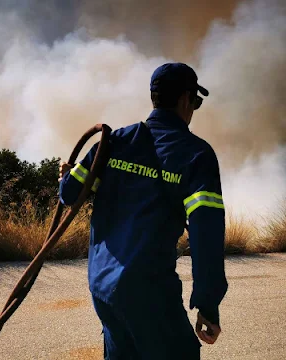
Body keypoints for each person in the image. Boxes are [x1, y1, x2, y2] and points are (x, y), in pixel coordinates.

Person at [58, 63, 228, 359]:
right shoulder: (196, 155)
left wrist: (65, 176)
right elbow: (206, 234)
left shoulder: (114, 143)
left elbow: (69, 194)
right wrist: (208, 303)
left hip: (103, 287)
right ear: (186, 99)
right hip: (149, 291)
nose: (194, 109)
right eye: (196, 103)